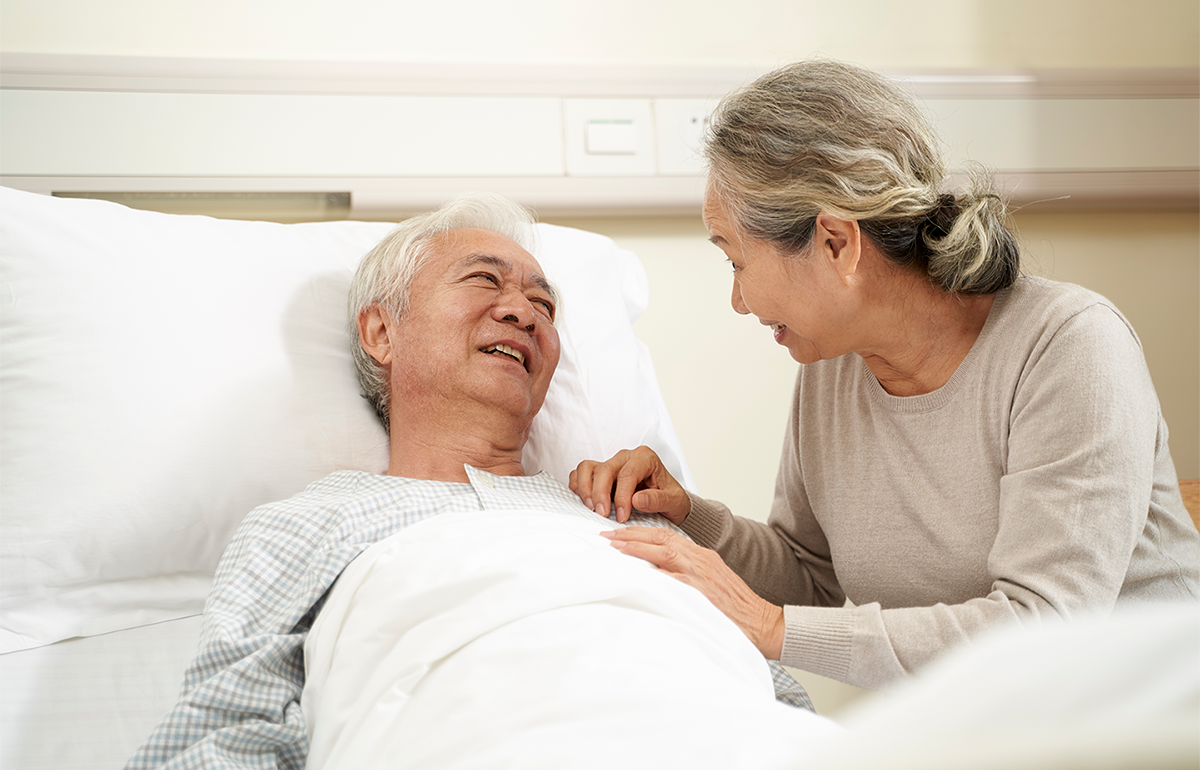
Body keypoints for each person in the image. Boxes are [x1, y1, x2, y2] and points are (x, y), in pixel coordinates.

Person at [570, 59, 1200, 692]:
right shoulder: (834, 365)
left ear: (837, 243)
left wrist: (771, 629)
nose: (739, 302)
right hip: (975, 730)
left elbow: (1042, 627)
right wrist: (689, 517)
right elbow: (809, 575)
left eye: (737, 261)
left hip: (1142, 723)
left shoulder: (1068, 346)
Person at [125, 193, 812, 769]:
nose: (524, 312)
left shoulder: (622, 513)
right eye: (485, 281)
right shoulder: (306, 525)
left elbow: (769, 690)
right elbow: (225, 732)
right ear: (381, 333)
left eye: (543, 303)